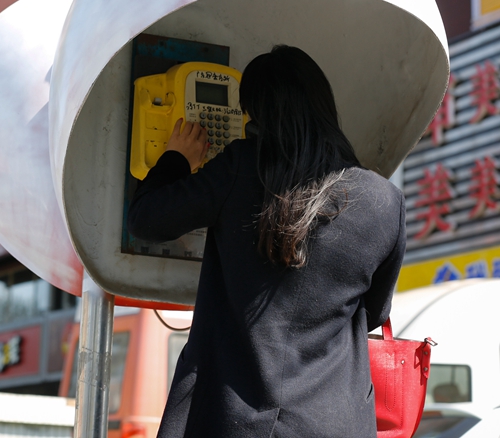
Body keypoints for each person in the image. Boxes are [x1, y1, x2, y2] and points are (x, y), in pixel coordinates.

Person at [127, 45, 405, 438]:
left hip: (230, 418)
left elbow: (146, 219)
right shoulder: (383, 200)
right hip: (333, 421)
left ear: (256, 115)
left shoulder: (240, 166)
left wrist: (176, 158)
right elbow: (373, 312)